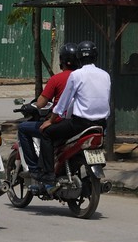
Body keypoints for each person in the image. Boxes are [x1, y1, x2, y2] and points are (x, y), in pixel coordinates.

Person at [38, 40, 111, 182]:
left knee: (46, 133)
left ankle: (48, 175)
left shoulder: (76, 75)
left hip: (80, 124)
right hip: (101, 125)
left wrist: (50, 121)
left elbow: (63, 103)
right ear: (95, 57)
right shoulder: (105, 75)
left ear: (79, 58)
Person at [18, 44, 78, 186]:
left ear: (61, 60)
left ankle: (34, 169)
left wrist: (31, 106)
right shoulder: (82, 77)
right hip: (77, 123)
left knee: (23, 128)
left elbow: (40, 103)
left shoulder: (56, 79)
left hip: (60, 122)